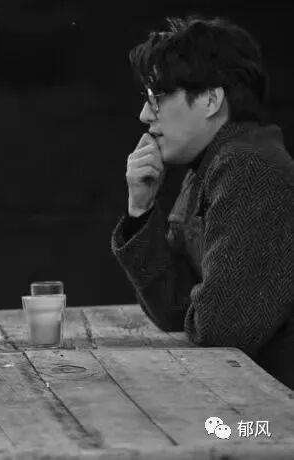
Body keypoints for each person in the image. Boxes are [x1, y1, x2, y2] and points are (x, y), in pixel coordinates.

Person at [111, 16, 294, 390]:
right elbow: (176, 312)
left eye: (158, 96)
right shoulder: (211, 164)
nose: (145, 114)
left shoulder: (249, 165)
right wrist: (140, 209)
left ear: (211, 100)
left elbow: (223, 330)